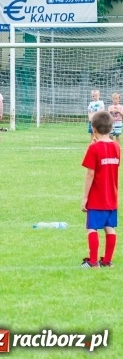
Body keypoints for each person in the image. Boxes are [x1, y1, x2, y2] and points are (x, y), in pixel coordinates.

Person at [81, 111, 119, 268]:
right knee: (110, 228)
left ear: (93, 128)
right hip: (112, 196)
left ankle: (93, 262)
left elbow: (90, 174)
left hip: (97, 196)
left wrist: (85, 197)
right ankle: (107, 261)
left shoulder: (94, 148)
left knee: (92, 228)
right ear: (111, 128)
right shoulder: (117, 146)